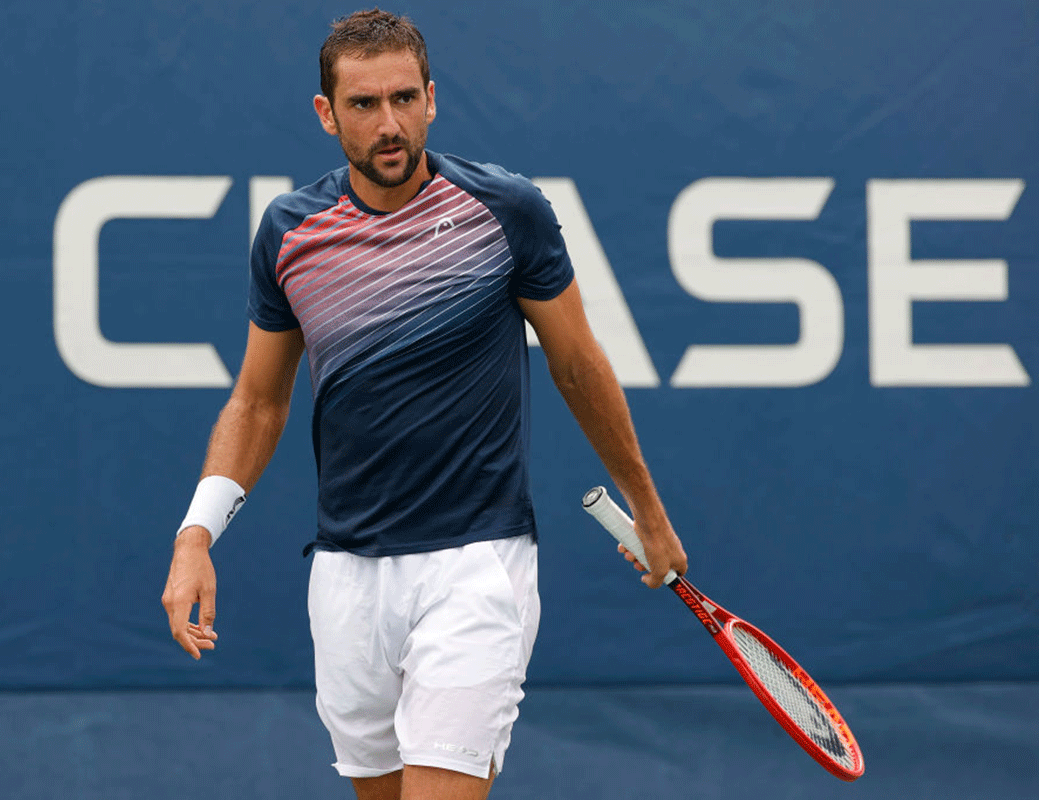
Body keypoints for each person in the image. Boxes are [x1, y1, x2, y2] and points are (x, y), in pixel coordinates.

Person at [161, 9, 687, 800]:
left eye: (405, 99)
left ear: (432, 99)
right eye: (365, 105)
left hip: (476, 566)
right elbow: (259, 401)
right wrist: (195, 534)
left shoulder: (506, 211)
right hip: (345, 576)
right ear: (326, 113)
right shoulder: (291, 233)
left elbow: (578, 366)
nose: (389, 124)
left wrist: (649, 510)